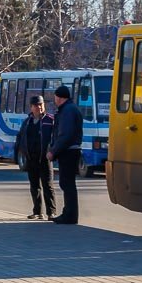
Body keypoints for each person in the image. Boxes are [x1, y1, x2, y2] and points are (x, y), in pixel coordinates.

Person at [15, 95, 57, 220]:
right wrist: (19, 153)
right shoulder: (27, 122)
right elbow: (20, 138)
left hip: (45, 159)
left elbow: (56, 138)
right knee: (34, 186)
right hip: (31, 158)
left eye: (41, 104)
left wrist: (52, 151)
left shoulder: (50, 120)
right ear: (31, 107)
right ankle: (37, 211)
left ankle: (51, 212)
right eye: (36, 105)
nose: (39, 107)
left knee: (48, 186)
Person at [47, 84, 84, 225]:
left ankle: (70, 215)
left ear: (59, 97)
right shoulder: (71, 108)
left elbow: (65, 134)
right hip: (71, 150)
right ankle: (68, 213)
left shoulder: (67, 111)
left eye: (55, 97)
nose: (54, 99)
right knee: (68, 183)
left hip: (68, 151)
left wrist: (53, 151)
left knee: (67, 183)